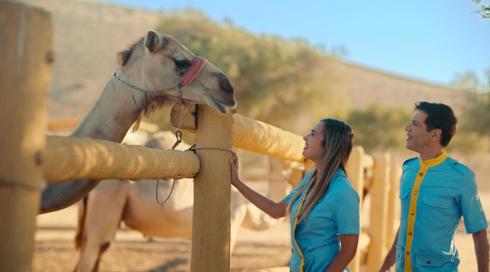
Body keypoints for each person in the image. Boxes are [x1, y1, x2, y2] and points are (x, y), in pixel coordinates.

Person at [230, 118, 360, 272]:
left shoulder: (344, 192)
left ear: (327, 144)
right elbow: (276, 210)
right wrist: (236, 182)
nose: (305, 137)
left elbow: (348, 251)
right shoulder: (309, 180)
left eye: (312, 134)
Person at [379, 102, 489, 272]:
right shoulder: (408, 168)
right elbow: (408, 224)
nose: (407, 128)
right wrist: (385, 267)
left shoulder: (461, 176)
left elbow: (479, 233)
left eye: (415, 124)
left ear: (435, 133)